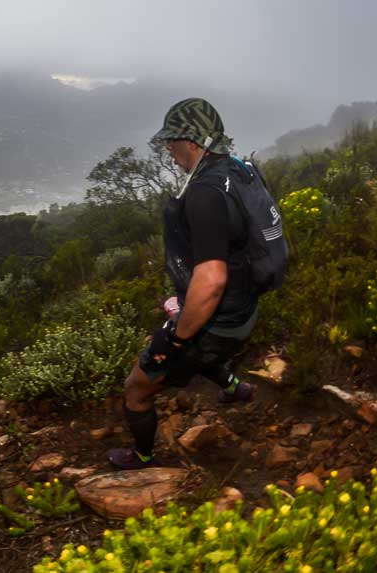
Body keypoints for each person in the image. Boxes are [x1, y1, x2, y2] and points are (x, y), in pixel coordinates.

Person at [108, 97, 260, 470]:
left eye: (171, 139)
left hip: (219, 318)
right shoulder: (242, 171)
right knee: (194, 340)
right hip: (245, 311)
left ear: (192, 143)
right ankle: (235, 388)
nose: (167, 146)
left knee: (138, 386)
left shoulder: (204, 194)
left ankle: (142, 457)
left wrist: (176, 337)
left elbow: (210, 283)